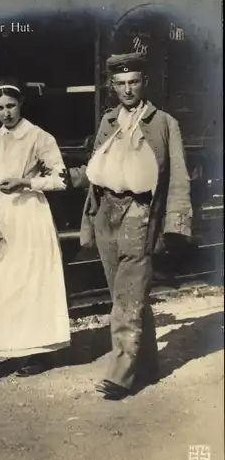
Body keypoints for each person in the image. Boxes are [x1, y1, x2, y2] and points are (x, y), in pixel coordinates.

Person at [69, 53, 193, 400]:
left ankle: (122, 374)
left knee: (127, 295)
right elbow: (97, 169)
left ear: (144, 83)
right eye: (121, 84)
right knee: (125, 293)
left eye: (134, 82)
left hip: (140, 212)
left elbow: (179, 178)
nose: (127, 89)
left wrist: (176, 224)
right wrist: (68, 177)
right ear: (112, 87)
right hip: (106, 211)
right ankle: (148, 365)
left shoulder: (164, 123)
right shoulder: (109, 121)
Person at [0, 77, 71, 384]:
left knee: (29, 282)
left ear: (21, 104)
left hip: (30, 216)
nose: (6, 113)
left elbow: (61, 179)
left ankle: (38, 352)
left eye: (10, 106)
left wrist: (26, 182)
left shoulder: (38, 136)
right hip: (4, 217)